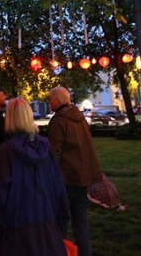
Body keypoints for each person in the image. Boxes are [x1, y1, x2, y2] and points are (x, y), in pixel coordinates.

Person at [0, 98, 69, 255]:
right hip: (47, 227)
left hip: (16, 230)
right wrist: (61, 226)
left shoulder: (6, 151)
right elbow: (59, 190)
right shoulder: (46, 148)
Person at [47, 86, 103, 256]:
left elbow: (54, 151)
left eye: (51, 99)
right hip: (83, 176)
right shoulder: (79, 118)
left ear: (58, 100)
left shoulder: (59, 120)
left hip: (66, 177)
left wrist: (50, 175)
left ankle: (59, 250)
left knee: (60, 220)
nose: (49, 102)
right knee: (80, 219)